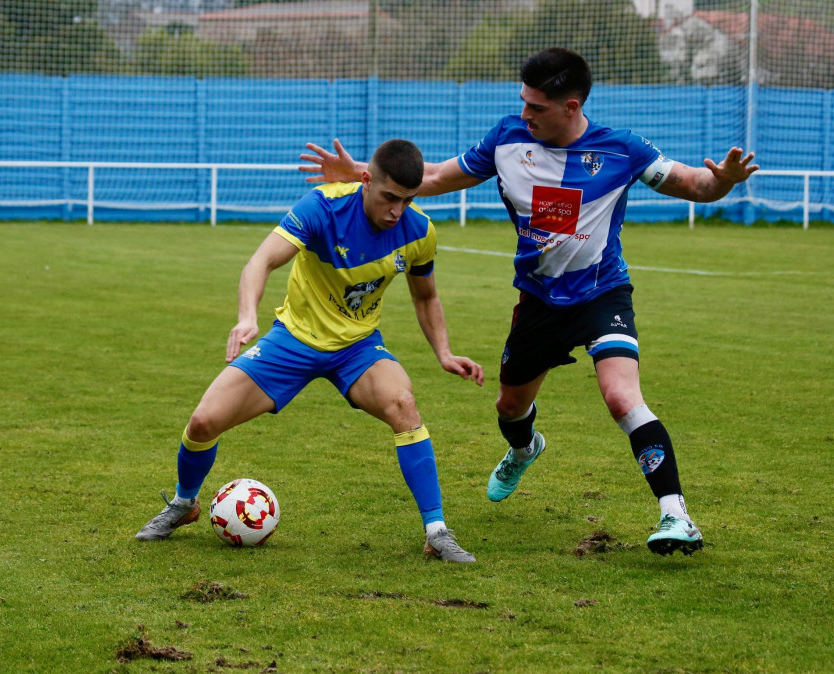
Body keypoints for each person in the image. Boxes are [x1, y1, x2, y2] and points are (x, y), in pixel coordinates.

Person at [299, 47, 759, 557]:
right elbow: (431, 179)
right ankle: (525, 448)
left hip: (601, 292)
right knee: (510, 407)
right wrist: (361, 170)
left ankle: (676, 515)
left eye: (536, 107)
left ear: (571, 105)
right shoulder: (506, 139)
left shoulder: (620, 150)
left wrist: (724, 181)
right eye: (523, 102)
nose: (525, 114)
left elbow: (695, 183)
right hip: (538, 302)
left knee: (621, 397)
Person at [136, 139, 484, 563]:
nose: (397, 211)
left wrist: (444, 353)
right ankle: (184, 503)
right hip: (293, 340)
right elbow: (260, 262)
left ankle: (437, 532)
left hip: (357, 347)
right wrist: (247, 317)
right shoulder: (323, 206)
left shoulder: (419, 232)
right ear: (365, 179)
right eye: (390, 198)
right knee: (204, 420)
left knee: (404, 405)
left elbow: (426, 297)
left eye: (408, 201)